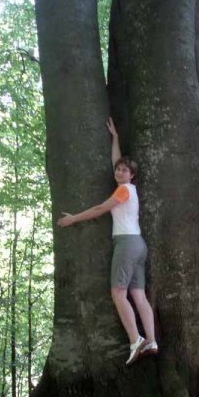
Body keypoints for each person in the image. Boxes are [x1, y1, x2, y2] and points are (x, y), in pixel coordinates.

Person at [57, 117, 158, 365]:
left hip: (126, 244)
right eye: (118, 169)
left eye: (124, 170)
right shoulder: (128, 188)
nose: (119, 171)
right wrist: (115, 138)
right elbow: (117, 160)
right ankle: (152, 340)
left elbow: (101, 209)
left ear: (131, 176)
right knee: (138, 294)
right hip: (138, 245)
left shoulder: (123, 190)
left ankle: (136, 339)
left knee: (117, 293)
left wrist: (74, 219)